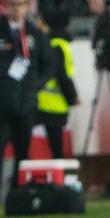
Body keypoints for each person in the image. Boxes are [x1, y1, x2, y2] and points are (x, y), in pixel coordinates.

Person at [0, 0, 54, 206]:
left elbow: (49, 64)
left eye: (20, 4)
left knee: (22, 151)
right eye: (12, 4)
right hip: (2, 103)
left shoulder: (36, 35)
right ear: (5, 6)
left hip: (26, 102)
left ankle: (18, 194)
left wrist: (36, 84)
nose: (16, 8)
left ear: (27, 6)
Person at [37, 11, 79, 159]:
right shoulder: (62, 43)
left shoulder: (53, 44)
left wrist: (72, 97)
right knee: (57, 148)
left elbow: (60, 73)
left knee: (56, 149)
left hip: (49, 104)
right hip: (57, 104)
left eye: (40, 21)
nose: (37, 24)